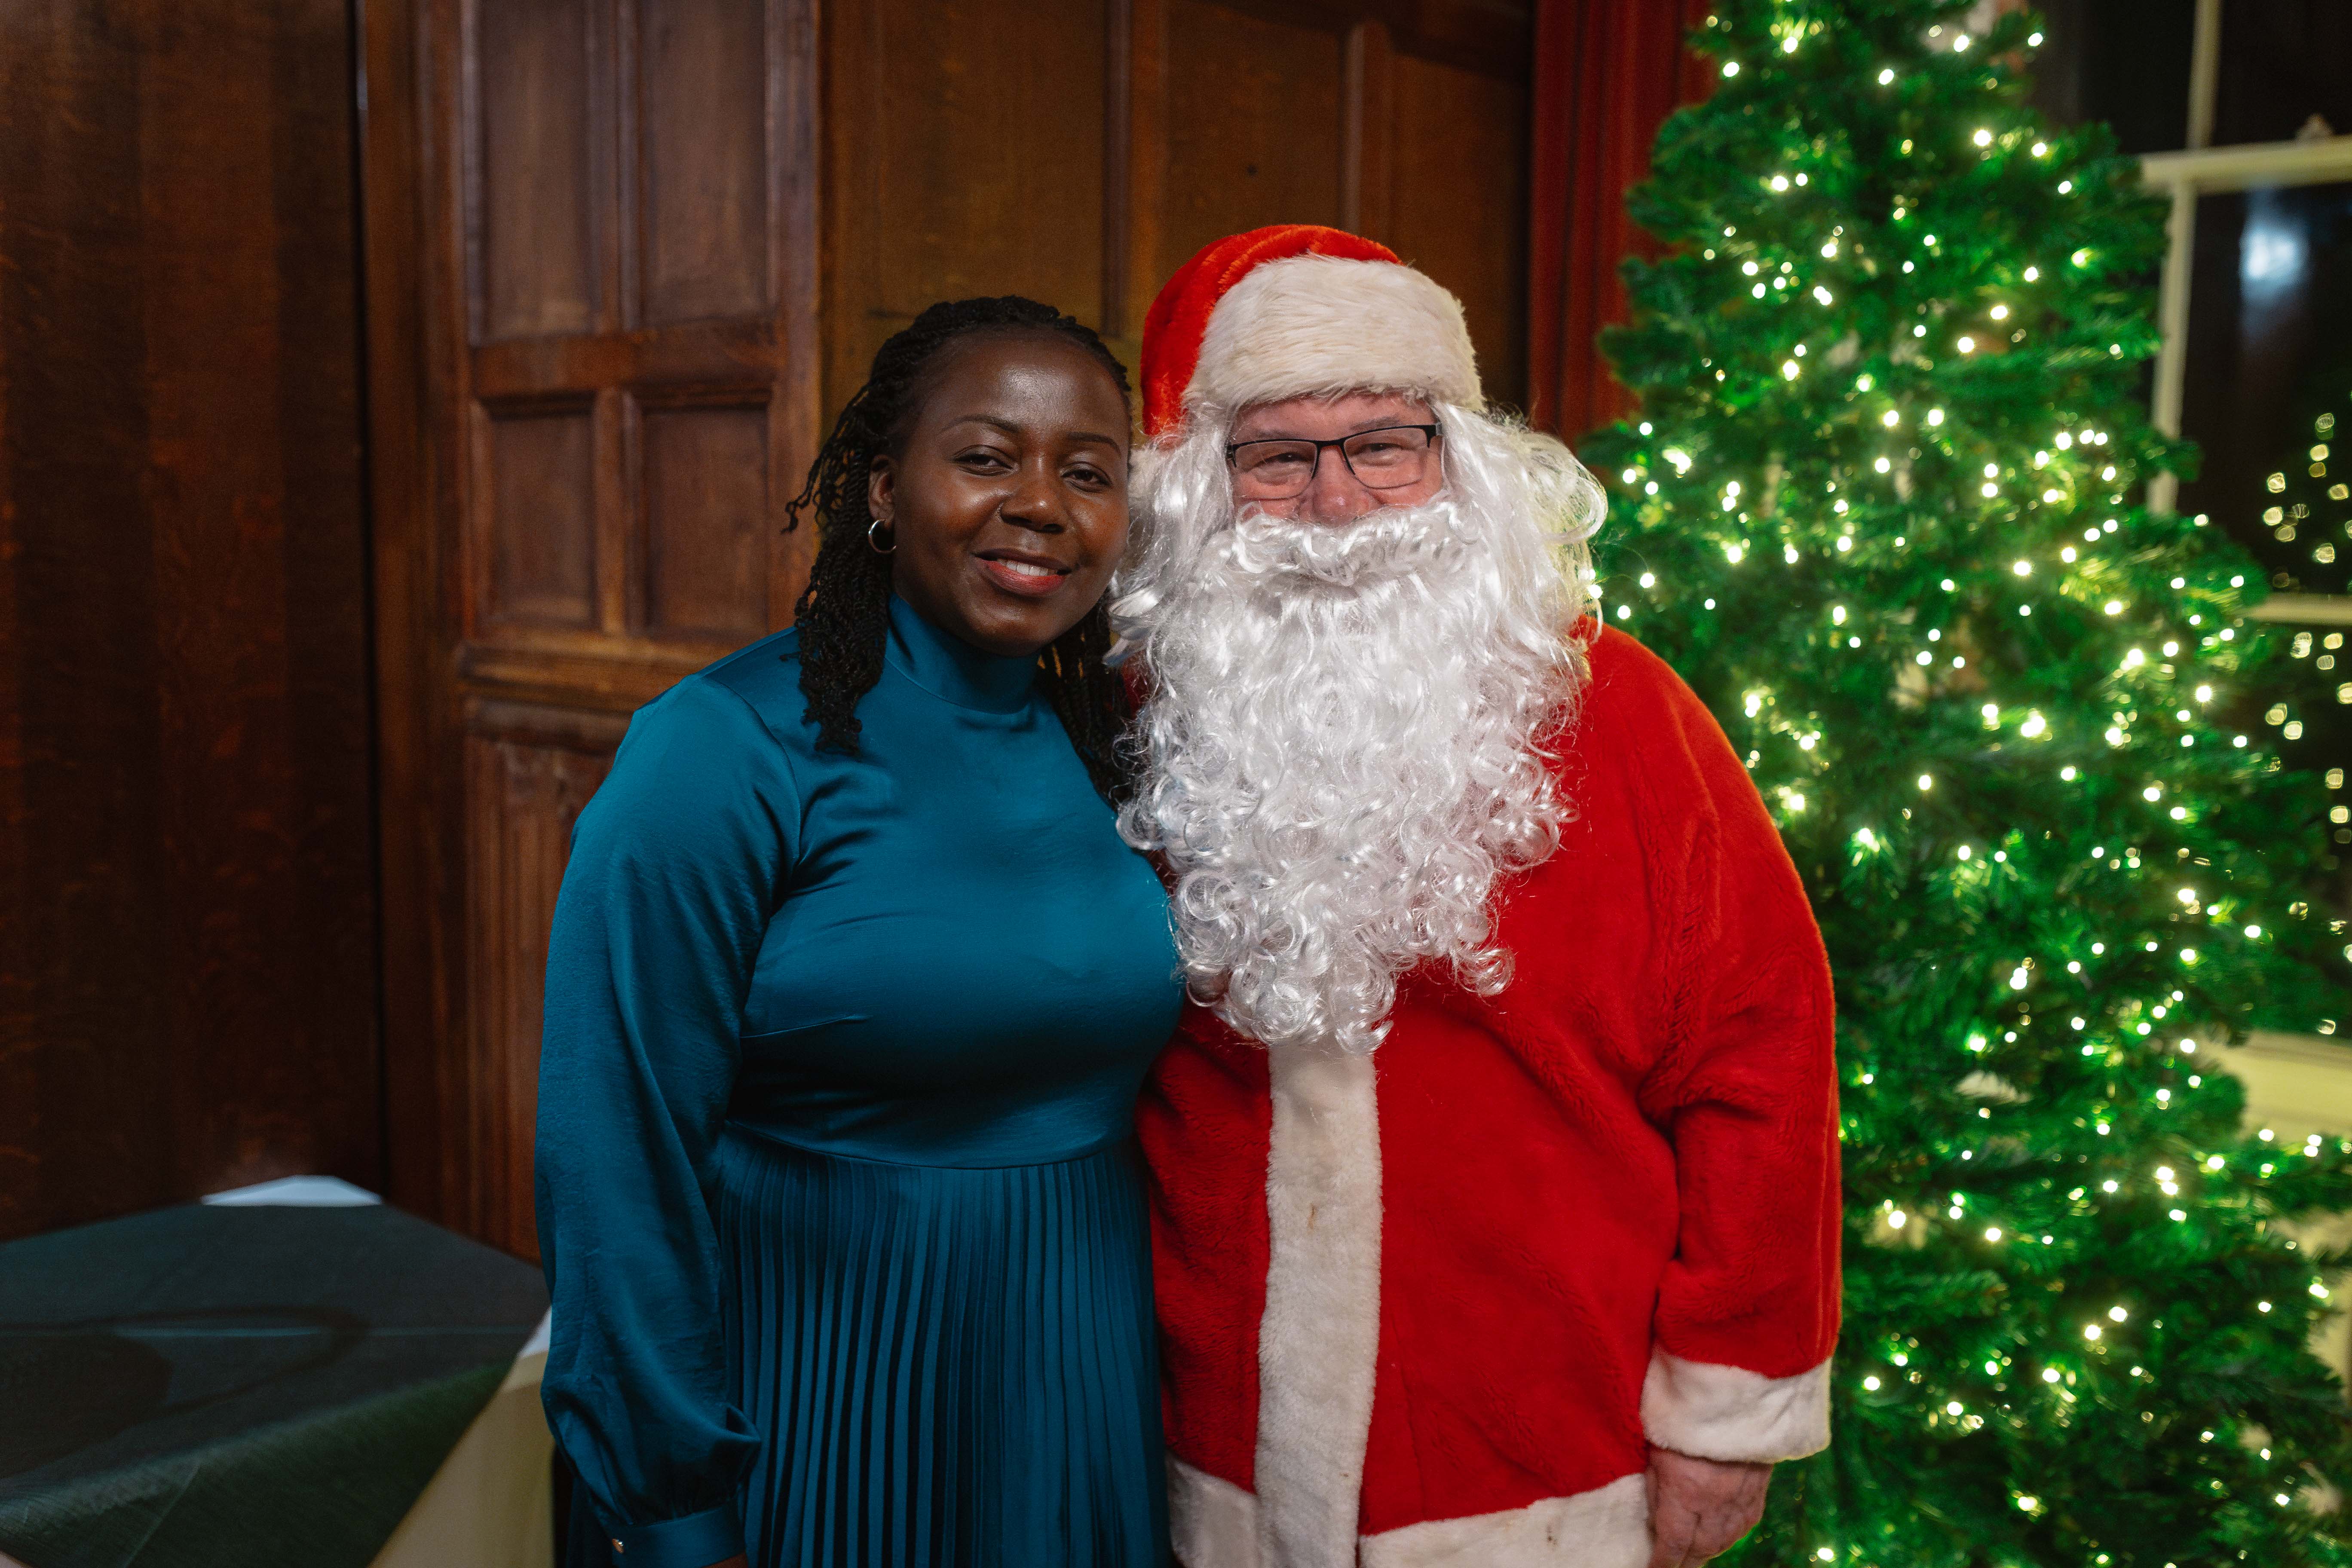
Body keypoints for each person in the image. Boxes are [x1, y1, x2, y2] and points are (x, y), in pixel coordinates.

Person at [1112, 226, 1841, 1568]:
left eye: (1384, 445)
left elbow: (1764, 1064)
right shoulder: (1149, 730)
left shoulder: (1622, 715)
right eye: (1277, 456)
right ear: (1199, 491)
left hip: (1537, 1461)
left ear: (1460, 459)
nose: (1340, 504)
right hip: (1198, 1450)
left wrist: (1720, 1418)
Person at [535, 297, 1182, 1568]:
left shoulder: (1121, 749)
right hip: (811, 1388)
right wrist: (674, 1503)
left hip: (1074, 1384)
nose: (1041, 503)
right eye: (987, 457)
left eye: (1088, 471)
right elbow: (614, 1154)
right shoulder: (725, 746)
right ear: (884, 489)